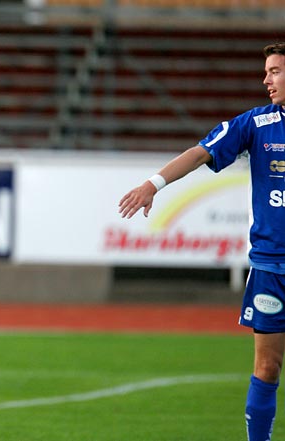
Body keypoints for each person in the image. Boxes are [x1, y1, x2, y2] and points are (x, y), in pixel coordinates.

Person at [119, 42, 285, 441]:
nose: (266, 79)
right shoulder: (258, 124)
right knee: (267, 367)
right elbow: (200, 153)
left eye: (275, 71)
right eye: (266, 71)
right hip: (270, 267)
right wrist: (152, 184)